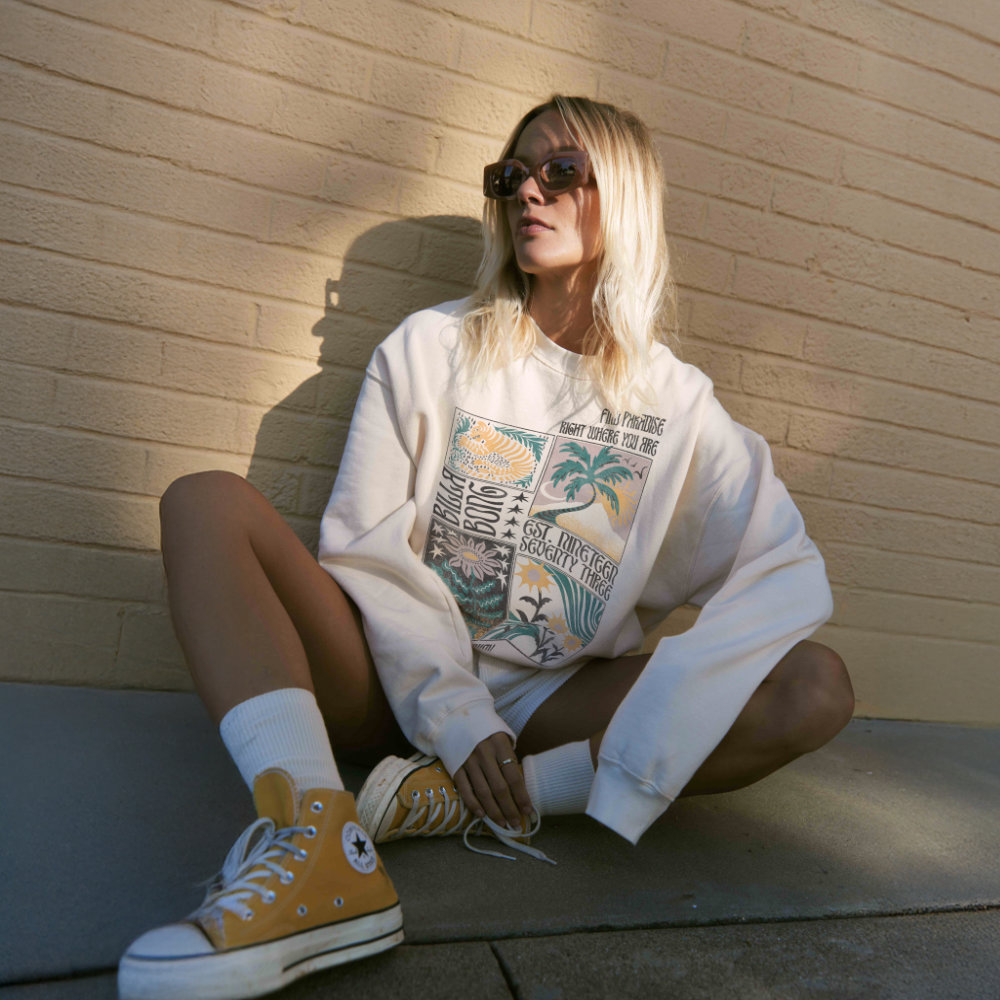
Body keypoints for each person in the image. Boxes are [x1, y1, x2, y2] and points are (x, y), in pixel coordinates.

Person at [118, 95, 854, 1000]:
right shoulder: (430, 349)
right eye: (512, 177)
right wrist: (456, 715)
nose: (529, 194)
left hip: (549, 704)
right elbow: (369, 555)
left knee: (815, 687)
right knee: (203, 502)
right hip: (390, 679)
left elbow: (786, 569)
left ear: (623, 194)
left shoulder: (680, 407)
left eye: (561, 171)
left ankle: (492, 797)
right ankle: (319, 836)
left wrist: (675, 696)